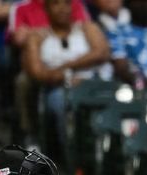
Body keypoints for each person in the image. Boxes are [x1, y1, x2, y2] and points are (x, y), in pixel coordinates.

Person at [22, 0, 110, 157]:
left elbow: (101, 52)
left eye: (66, 4)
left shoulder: (87, 28)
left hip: (94, 85)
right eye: (56, 4)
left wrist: (65, 67)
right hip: (59, 88)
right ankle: (72, 157)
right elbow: (37, 72)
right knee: (59, 102)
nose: (62, 9)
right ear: (47, 9)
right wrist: (68, 77)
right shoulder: (37, 37)